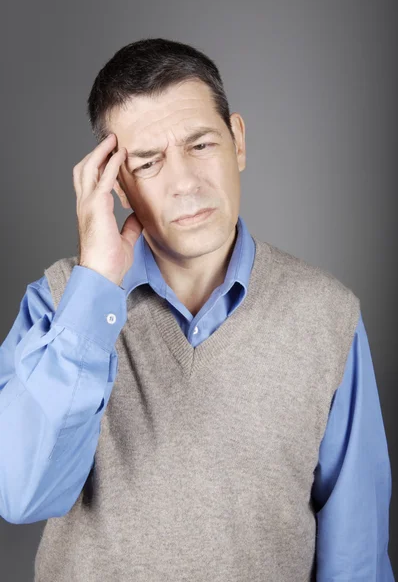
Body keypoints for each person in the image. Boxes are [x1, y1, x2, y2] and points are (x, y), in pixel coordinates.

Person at [0, 37, 394, 581]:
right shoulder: (59, 301)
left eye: (201, 145)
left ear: (238, 141)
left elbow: (358, 553)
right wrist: (93, 294)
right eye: (148, 162)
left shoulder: (327, 315)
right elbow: (19, 494)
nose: (185, 183)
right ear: (116, 185)